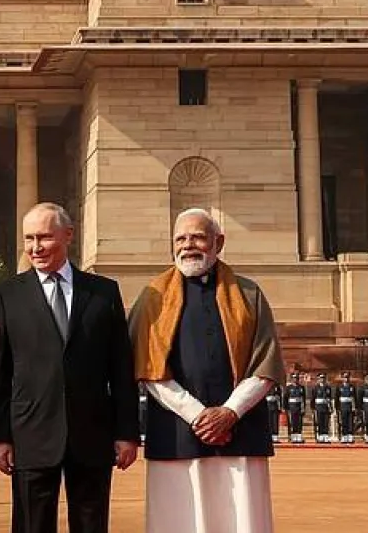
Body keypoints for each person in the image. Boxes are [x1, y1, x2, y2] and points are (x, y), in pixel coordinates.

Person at [128, 208, 285, 533]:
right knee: (179, 519)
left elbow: (265, 363)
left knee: (241, 518)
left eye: (198, 236)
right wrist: (199, 416)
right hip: (177, 433)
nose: (188, 245)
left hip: (240, 430)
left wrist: (229, 412)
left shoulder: (248, 294)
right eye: (180, 239)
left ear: (219, 242)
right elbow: (148, 366)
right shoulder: (152, 299)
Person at [0, 203, 140, 533]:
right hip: (30, 434)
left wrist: (127, 432)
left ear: (68, 235)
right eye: (29, 238)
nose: (35, 247)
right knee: (31, 526)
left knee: (91, 524)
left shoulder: (103, 292)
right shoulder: (4, 295)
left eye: (44, 237)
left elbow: (121, 369)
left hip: (92, 432)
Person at [282, 373, 306, 445]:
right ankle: (292, 437)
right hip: (291, 407)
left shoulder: (301, 388)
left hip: (299, 407)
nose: (295, 380)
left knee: (299, 422)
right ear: (292, 379)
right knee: (292, 422)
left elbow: (303, 398)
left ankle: (298, 436)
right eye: (294, 378)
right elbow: (285, 398)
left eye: (297, 378)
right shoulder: (288, 388)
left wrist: (303, 407)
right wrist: (285, 407)